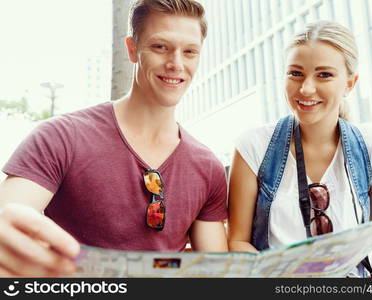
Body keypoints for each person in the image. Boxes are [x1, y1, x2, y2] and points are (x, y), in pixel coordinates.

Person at [0, 0, 228, 277]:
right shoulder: (60, 137)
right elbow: (9, 221)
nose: (176, 64)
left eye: (190, 52)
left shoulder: (208, 167)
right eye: (160, 47)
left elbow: (218, 275)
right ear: (132, 49)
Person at [227, 20, 372, 277]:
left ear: (350, 83)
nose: (306, 88)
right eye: (295, 73)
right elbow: (238, 243)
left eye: (324, 75)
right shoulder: (252, 146)